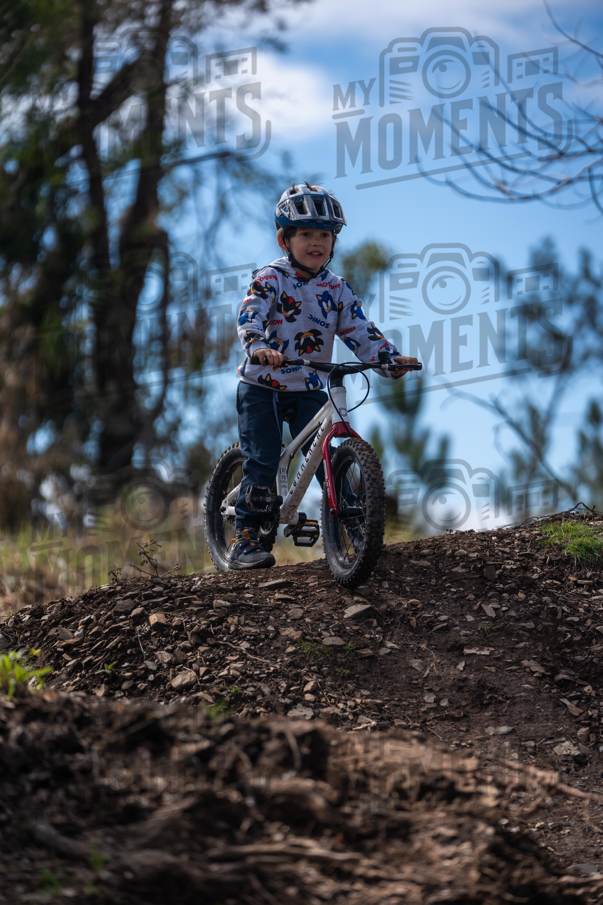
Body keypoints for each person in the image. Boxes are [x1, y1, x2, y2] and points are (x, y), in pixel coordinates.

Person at [229, 182, 418, 569]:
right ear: (284, 240)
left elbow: (361, 332)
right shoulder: (270, 278)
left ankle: (357, 529)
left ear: (334, 242)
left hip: (309, 387)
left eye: (325, 236)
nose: (316, 243)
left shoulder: (337, 289)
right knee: (264, 459)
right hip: (261, 386)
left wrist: (388, 359)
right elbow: (250, 315)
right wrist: (258, 346)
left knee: (325, 457)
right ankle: (244, 538)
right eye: (306, 234)